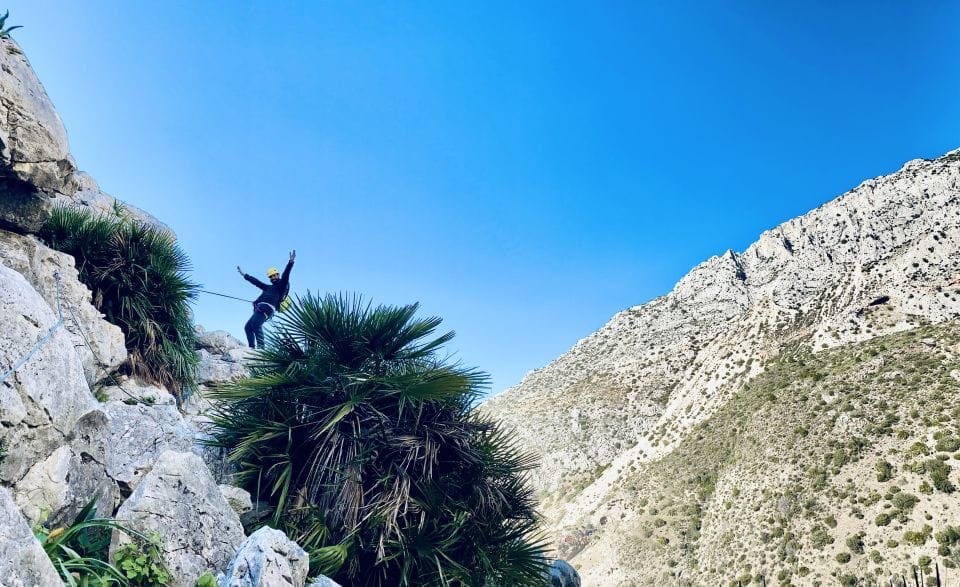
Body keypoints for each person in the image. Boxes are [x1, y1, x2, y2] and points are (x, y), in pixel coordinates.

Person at [237, 250, 296, 349]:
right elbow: (257, 282)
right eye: (271, 276)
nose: (273, 277)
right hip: (260, 307)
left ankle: (261, 350)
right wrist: (245, 275)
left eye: (274, 275)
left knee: (256, 325)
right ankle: (252, 347)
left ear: (278, 275)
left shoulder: (282, 286)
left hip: (268, 308)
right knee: (248, 327)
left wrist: (290, 263)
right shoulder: (268, 287)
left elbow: (286, 275)